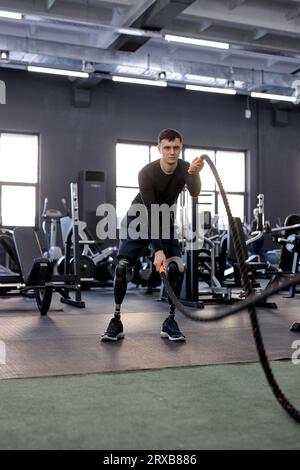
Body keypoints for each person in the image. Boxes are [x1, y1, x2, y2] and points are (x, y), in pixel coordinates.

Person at [101, 128, 204, 342]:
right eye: (167, 148)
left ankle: (170, 321)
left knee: (177, 268)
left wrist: (195, 173)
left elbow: (194, 192)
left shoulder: (186, 168)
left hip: (165, 220)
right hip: (139, 218)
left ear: (181, 147)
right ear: (159, 149)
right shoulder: (146, 173)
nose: (172, 152)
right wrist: (157, 251)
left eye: (176, 147)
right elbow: (150, 213)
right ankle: (116, 320)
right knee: (121, 268)